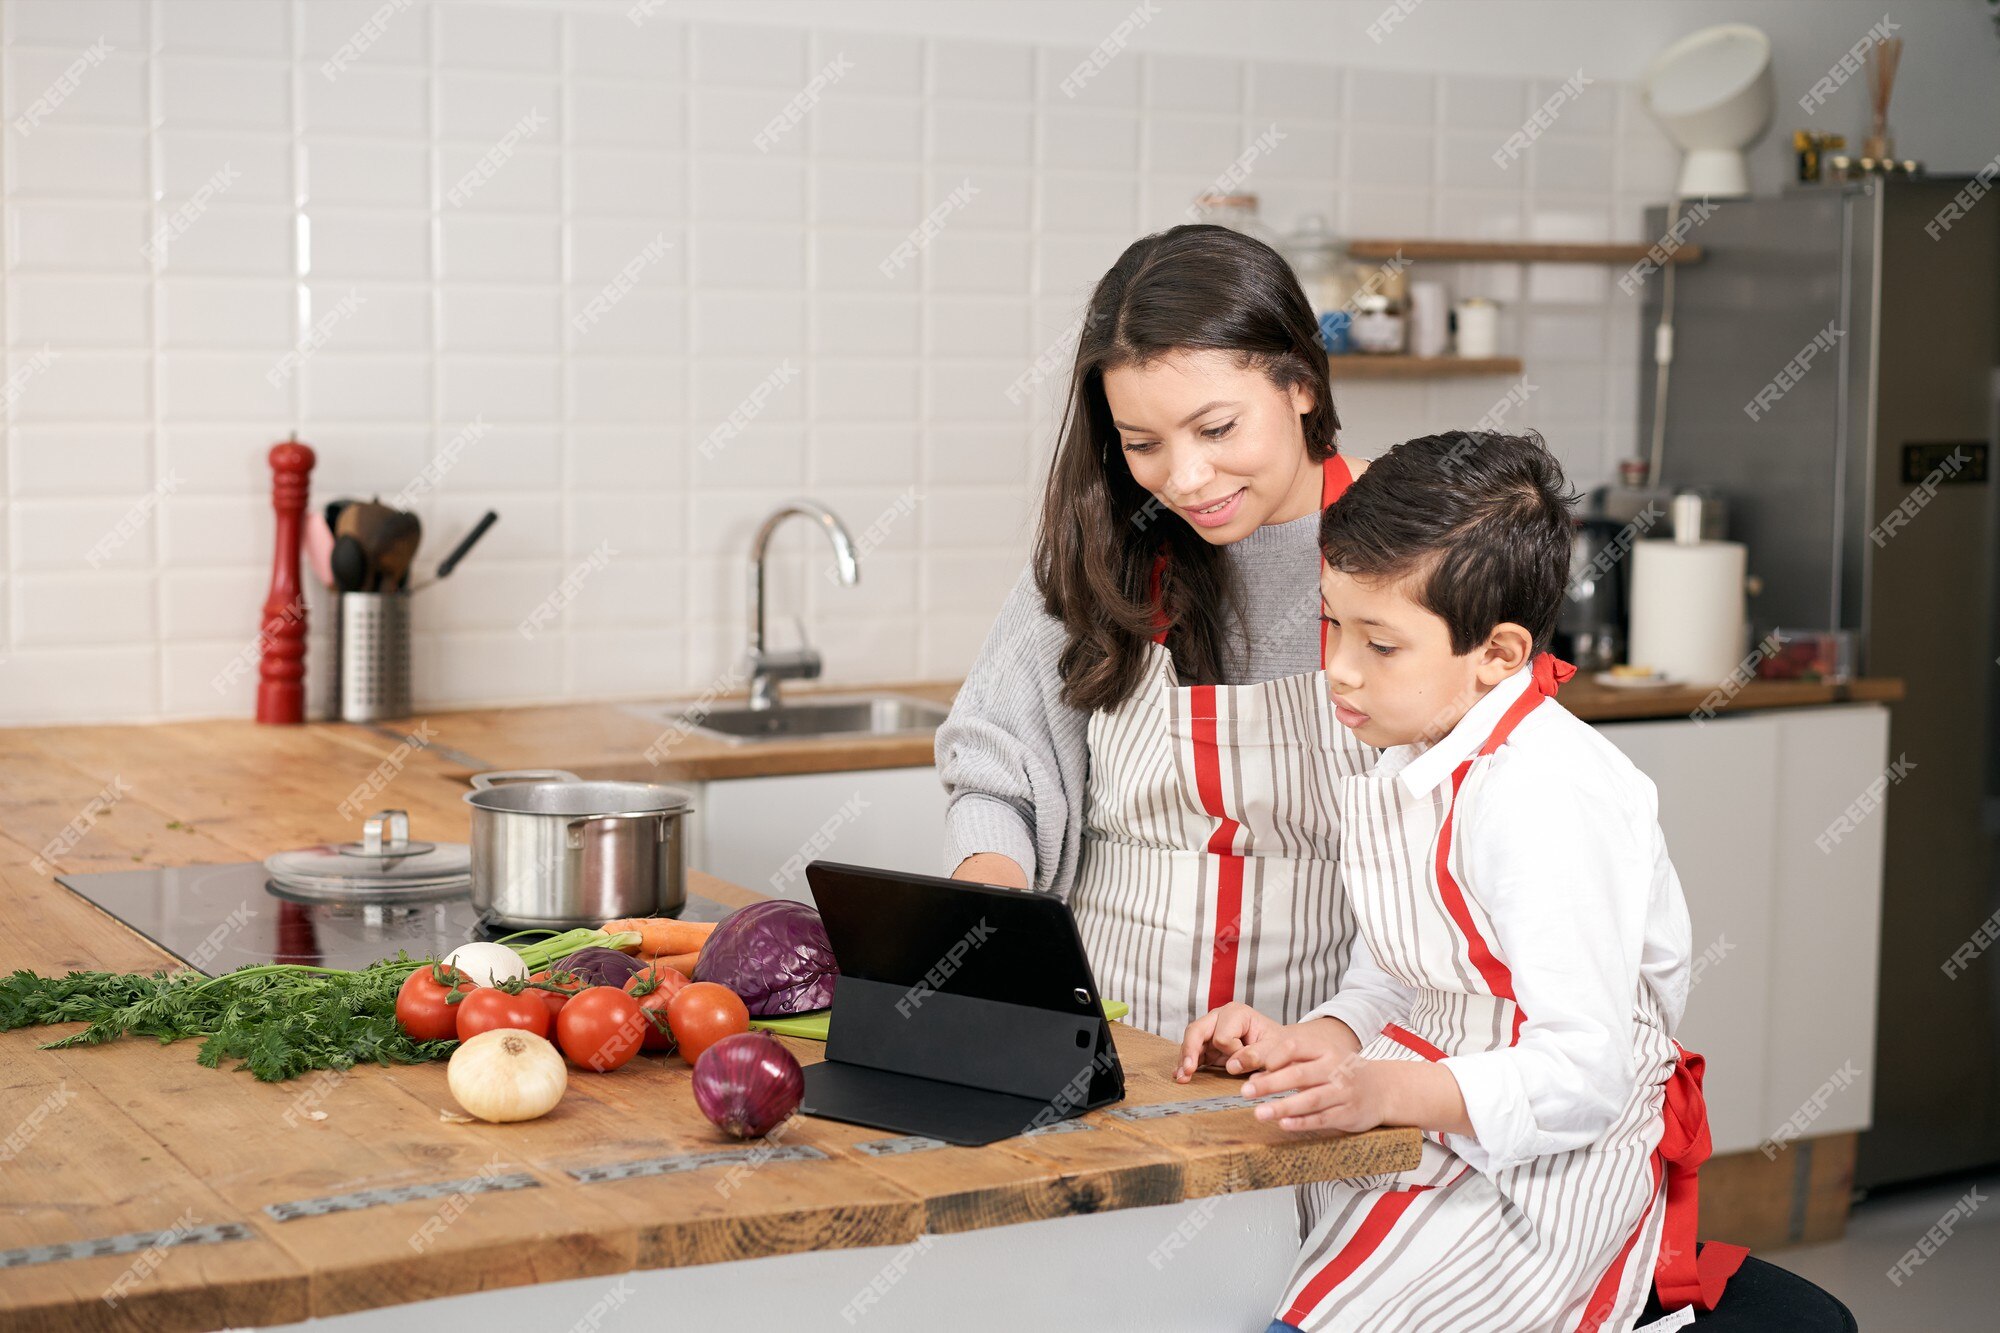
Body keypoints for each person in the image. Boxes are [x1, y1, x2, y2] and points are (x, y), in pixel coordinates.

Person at [1178, 431, 1746, 1332]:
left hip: (1554, 1162)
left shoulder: (1543, 794)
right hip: (1426, 1120)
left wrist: (1386, 1093)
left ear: (1499, 651)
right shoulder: (1409, 747)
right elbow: (1398, 974)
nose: (1339, 667)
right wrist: (1316, 1041)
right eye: (1333, 623)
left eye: (1382, 643)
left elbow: (1581, 1075)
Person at [934, 223, 1377, 1043]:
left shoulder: (1407, 554)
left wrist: (1341, 1039)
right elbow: (997, 767)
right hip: (1102, 1039)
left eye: (1216, 430)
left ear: (1302, 384)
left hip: (1325, 1054)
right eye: (1143, 443)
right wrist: (990, 885)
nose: (1186, 478)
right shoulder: (1103, 548)